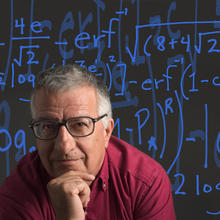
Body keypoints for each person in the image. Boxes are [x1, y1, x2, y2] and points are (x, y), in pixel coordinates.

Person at [0, 64, 176, 220]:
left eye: (79, 125)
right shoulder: (19, 191)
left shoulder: (144, 182)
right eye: (47, 126)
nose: (63, 145)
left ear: (107, 132)